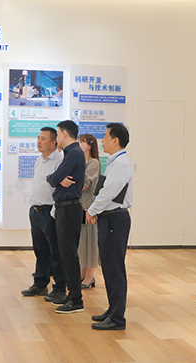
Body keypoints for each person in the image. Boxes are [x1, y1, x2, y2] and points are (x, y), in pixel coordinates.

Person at [87, 123, 133, 330]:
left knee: (114, 269)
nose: (102, 140)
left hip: (115, 219)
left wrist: (92, 210)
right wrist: (98, 211)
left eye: (105, 136)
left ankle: (117, 318)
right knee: (109, 266)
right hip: (110, 218)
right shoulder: (114, 161)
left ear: (116, 140)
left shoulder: (120, 163)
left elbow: (109, 191)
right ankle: (113, 310)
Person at [21, 127, 67, 302]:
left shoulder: (60, 161)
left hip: (50, 211)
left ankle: (59, 288)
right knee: (40, 250)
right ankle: (40, 284)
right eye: (38, 138)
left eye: (43, 139)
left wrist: (54, 213)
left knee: (56, 252)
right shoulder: (39, 160)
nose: (38, 142)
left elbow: (60, 189)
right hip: (36, 210)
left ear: (54, 142)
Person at [46, 120, 86, 313]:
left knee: (69, 254)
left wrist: (56, 179)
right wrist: (56, 179)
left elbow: (53, 178)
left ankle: (76, 299)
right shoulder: (70, 153)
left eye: (57, 133)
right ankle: (72, 294)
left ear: (63, 133)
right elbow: (54, 178)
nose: (57, 138)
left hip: (69, 209)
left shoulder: (74, 153)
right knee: (65, 253)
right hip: (65, 208)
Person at [78, 134, 101, 289]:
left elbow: (84, 184)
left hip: (88, 205)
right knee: (81, 242)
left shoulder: (93, 163)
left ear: (90, 145)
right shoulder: (82, 162)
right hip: (80, 205)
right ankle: (82, 274)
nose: (79, 144)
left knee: (90, 241)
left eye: (82, 142)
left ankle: (90, 276)